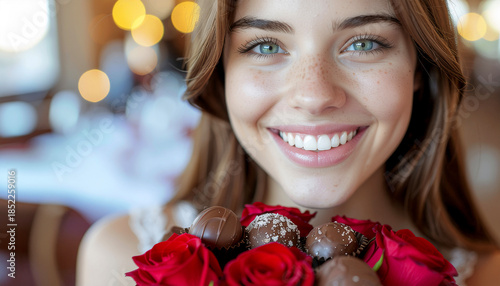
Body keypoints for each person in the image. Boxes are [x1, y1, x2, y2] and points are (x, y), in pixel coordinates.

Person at [76, 0, 500, 285]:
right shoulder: (118, 258)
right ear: (220, 76)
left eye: (364, 43)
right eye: (265, 45)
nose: (314, 96)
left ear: (420, 71)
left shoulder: (487, 276)